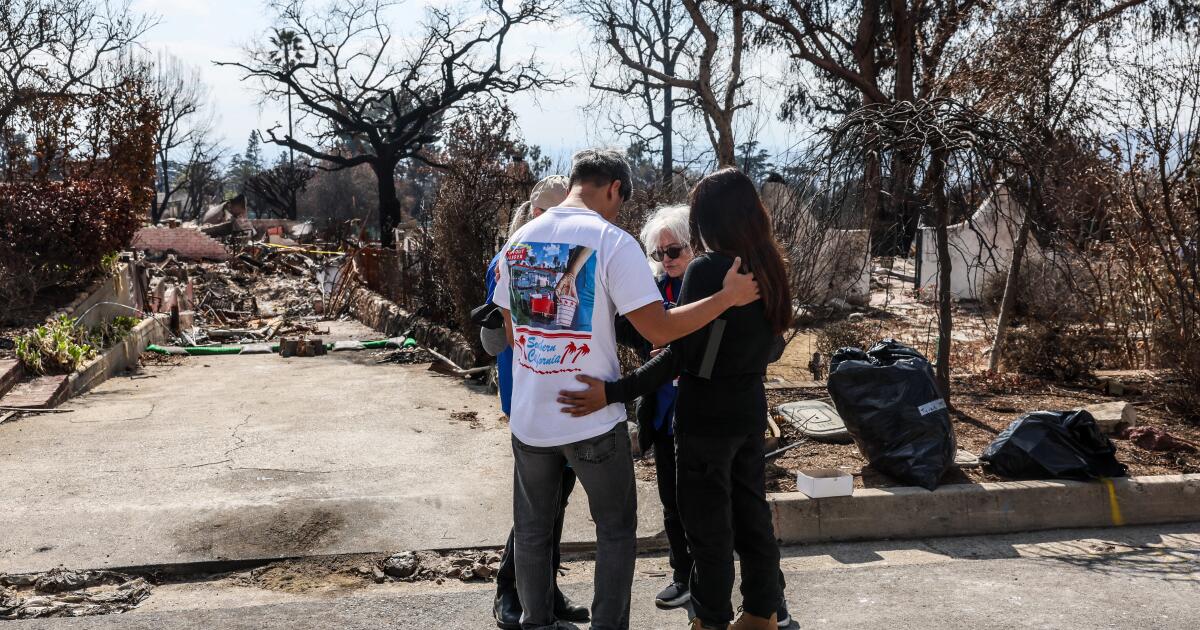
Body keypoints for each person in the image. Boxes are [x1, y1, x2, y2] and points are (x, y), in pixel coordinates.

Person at [493, 149, 760, 630]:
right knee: (615, 531)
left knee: (532, 531)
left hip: (531, 418)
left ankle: (535, 623)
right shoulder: (611, 242)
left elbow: (511, 332)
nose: (618, 211)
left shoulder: (519, 240)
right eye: (621, 201)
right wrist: (726, 298)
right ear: (614, 187)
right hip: (590, 415)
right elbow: (659, 330)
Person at [558, 168, 793, 630]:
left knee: (707, 532)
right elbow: (770, 344)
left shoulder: (709, 270)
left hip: (704, 418)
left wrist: (613, 392)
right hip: (749, 411)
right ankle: (763, 614)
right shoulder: (769, 267)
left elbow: (677, 357)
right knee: (752, 520)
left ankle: (710, 620)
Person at [482, 178, 590, 629]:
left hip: (561, 400)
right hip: (531, 398)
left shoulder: (566, 260)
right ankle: (511, 589)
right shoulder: (514, 260)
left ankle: (543, 589)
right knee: (537, 507)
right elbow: (501, 335)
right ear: (533, 216)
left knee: (556, 501)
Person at [613, 205, 695, 609]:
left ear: (694, 247)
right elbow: (631, 331)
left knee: (711, 505)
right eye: (660, 253)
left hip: (701, 415)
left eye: (675, 250)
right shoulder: (655, 289)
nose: (667, 260)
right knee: (671, 500)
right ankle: (683, 575)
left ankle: (756, 594)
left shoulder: (705, 289)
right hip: (663, 413)